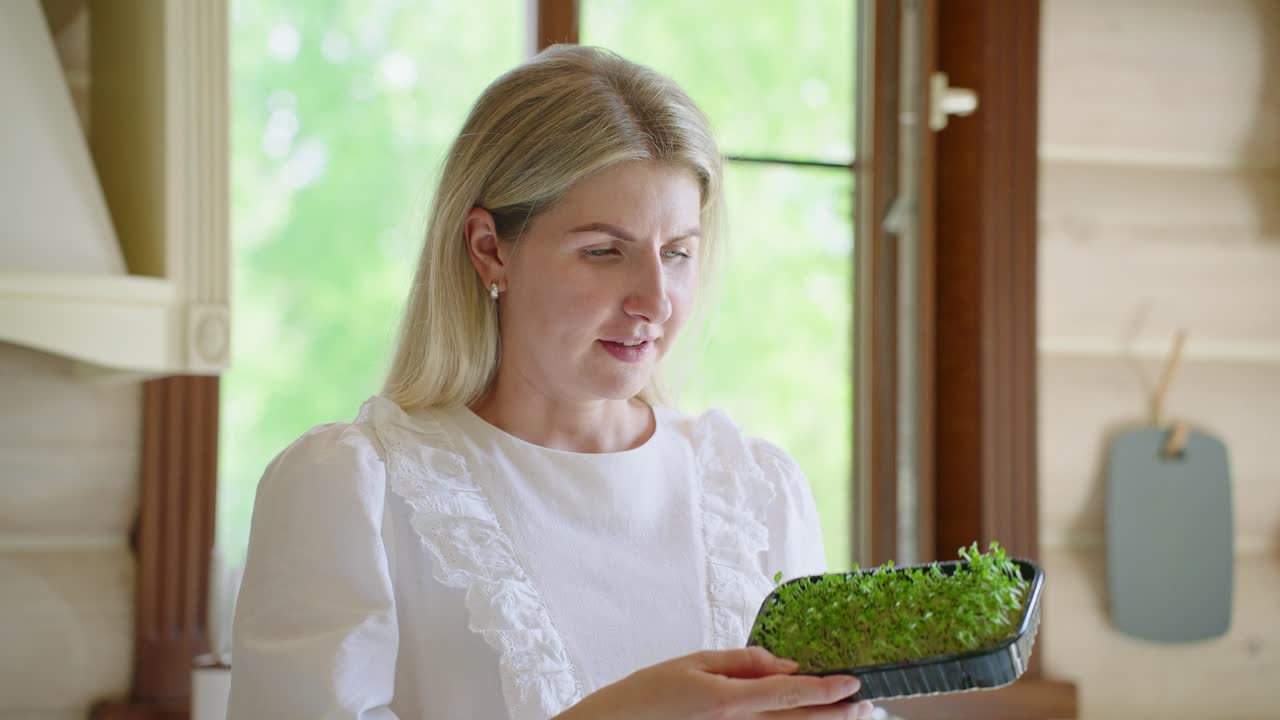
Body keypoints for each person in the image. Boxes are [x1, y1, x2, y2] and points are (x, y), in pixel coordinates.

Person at [227, 44, 876, 720]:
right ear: (489, 248)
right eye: (603, 252)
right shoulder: (352, 492)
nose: (655, 300)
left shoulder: (757, 492)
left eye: (678, 252)